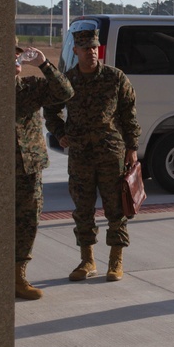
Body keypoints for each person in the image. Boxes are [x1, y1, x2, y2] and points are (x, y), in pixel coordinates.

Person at [46, 25, 141, 283]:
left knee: (116, 209)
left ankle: (115, 261)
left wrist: (132, 148)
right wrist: (58, 132)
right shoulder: (67, 81)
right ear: (75, 51)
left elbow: (128, 114)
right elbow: (51, 111)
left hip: (111, 153)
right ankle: (87, 260)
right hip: (80, 156)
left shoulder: (115, 78)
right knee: (83, 210)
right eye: (85, 49)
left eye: (94, 48)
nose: (91, 53)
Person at [14, 39, 74, 300]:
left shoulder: (30, 87)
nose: (15, 60)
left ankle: (18, 275)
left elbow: (65, 92)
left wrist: (44, 64)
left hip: (28, 169)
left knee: (28, 223)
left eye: (17, 55)